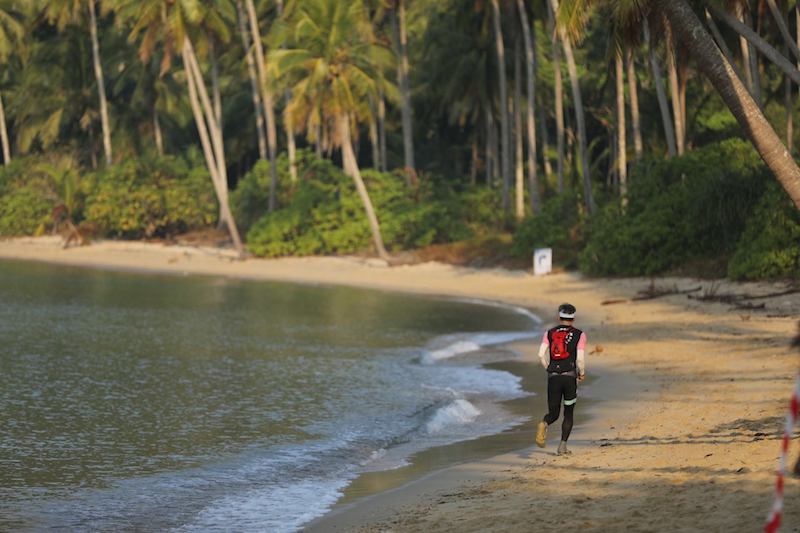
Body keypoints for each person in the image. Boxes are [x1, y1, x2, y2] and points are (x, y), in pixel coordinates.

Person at [535, 303, 587, 455]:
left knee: (554, 413)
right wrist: (582, 372)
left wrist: (549, 369)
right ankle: (562, 447)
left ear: (558, 317)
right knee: (568, 413)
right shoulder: (580, 334)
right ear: (574, 318)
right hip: (570, 378)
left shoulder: (549, 333)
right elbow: (580, 359)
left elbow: (540, 354)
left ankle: (544, 423)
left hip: (553, 378)